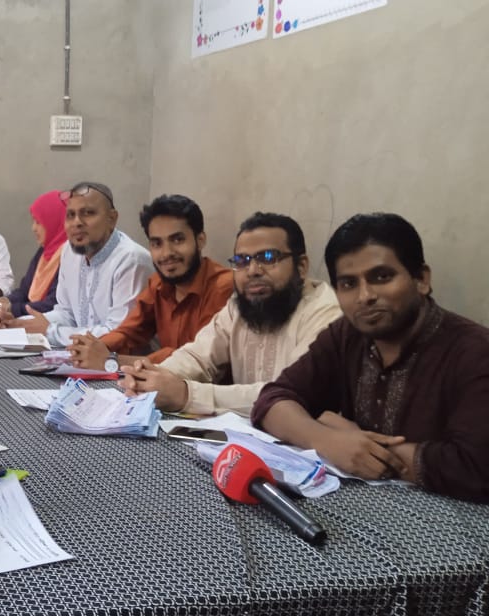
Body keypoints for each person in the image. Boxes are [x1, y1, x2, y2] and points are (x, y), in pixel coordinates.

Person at [252, 213, 489, 502]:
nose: (365, 296)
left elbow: (476, 467)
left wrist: (365, 450)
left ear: (421, 279)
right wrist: (327, 439)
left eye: (381, 277)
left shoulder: (474, 352)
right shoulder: (346, 335)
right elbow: (272, 401)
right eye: (349, 284)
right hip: (365, 505)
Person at [121, 212, 341, 417]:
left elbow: (286, 392)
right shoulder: (241, 304)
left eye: (268, 258)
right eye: (242, 261)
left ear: (301, 266)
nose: (253, 271)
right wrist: (153, 377)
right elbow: (197, 356)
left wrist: (186, 394)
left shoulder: (326, 313)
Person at [69, 194, 233, 369]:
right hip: (165, 380)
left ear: (200, 240)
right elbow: (129, 332)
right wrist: (93, 348)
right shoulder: (159, 284)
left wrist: (111, 361)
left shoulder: (224, 288)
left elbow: (193, 359)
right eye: (157, 244)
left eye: (177, 240)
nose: (166, 253)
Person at [0, 182, 153, 346]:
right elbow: (66, 314)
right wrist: (19, 324)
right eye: (70, 215)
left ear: (112, 219)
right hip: (79, 354)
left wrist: (50, 331)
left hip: (123, 358)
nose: (77, 222)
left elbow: (118, 333)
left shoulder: (131, 260)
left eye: (88, 213)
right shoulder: (69, 251)